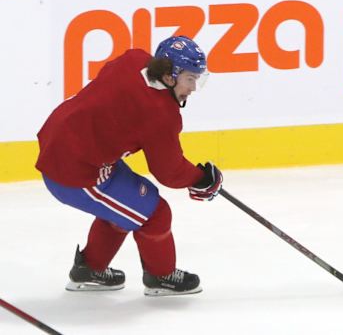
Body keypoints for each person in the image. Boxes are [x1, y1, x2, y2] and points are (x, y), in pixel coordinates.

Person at [35, 35, 223, 296]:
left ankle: (90, 269)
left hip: (64, 140)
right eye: (190, 79)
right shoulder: (160, 112)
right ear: (170, 76)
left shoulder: (133, 58)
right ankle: (161, 277)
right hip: (76, 171)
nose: (193, 87)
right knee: (155, 215)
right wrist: (201, 179)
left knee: (130, 206)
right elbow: (168, 171)